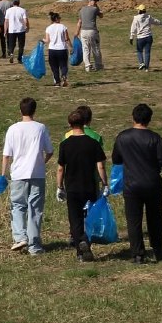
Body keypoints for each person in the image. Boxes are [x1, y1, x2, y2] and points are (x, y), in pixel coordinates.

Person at [111, 103, 162, 264]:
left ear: (133, 117)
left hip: (132, 184)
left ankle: (138, 253)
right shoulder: (155, 137)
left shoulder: (123, 137)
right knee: (155, 217)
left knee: (133, 220)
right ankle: (158, 249)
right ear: (149, 119)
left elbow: (116, 159)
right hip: (152, 183)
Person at [1, 97, 54, 255]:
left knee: (17, 206)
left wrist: (3, 174)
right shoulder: (40, 128)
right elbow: (50, 151)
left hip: (18, 174)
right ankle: (34, 245)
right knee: (35, 209)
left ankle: (19, 237)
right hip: (37, 173)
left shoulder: (13, 129)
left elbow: (6, 155)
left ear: (20, 111)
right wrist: (42, 162)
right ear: (34, 110)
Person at [56, 110, 109, 261]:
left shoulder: (65, 144)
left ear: (69, 124)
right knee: (89, 217)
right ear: (85, 123)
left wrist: (59, 186)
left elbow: (61, 168)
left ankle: (80, 249)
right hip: (90, 185)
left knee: (75, 218)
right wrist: (105, 183)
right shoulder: (93, 143)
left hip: (72, 187)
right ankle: (86, 240)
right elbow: (101, 166)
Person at [129, 4, 162, 71]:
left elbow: (133, 28)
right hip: (149, 37)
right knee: (147, 53)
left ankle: (141, 63)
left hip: (140, 38)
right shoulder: (148, 17)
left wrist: (131, 37)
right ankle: (146, 68)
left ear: (139, 11)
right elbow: (155, 21)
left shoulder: (136, 18)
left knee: (139, 51)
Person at [75, 0, 104, 72]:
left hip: (83, 31)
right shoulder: (95, 9)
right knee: (96, 48)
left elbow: (79, 22)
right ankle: (98, 65)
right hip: (92, 31)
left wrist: (77, 33)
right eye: (94, 1)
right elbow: (101, 16)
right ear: (90, 1)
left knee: (86, 49)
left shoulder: (82, 9)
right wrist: (97, 7)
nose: (95, 3)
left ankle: (87, 66)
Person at [44, 12, 72, 87]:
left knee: (54, 67)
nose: (60, 19)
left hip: (52, 50)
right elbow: (66, 38)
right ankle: (64, 75)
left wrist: (42, 40)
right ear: (56, 19)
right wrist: (70, 46)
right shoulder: (63, 27)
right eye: (59, 18)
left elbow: (47, 40)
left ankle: (57, 82)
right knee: (63, 65)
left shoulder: (48, 28)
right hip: (62, 49)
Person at [4, 0, 29, 64]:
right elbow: (25, 20)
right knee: (21, 45)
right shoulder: (22, 10)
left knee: (11, 44)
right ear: (19, 3)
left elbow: (6, 21)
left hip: (12, 30)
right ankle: (19, 58)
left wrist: (5, 31)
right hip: (21, 30)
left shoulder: (8, 10)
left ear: (12, 3)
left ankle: (11, 53)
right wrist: (27, 27)